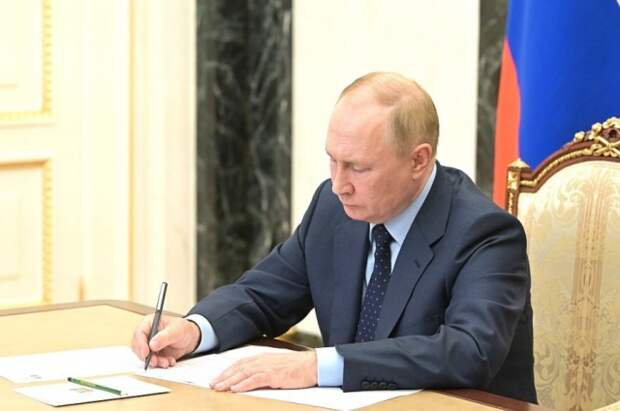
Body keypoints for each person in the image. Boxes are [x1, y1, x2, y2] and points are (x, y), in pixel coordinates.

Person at [131, 72, 537, 403]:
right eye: (332, 160)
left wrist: (317, 366)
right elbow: (263, 295)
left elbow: (469, 351)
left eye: (358, 168)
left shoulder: (485, 234)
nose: (339, 184)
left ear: (419, 160)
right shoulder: (333, 207)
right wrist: (195, 330)